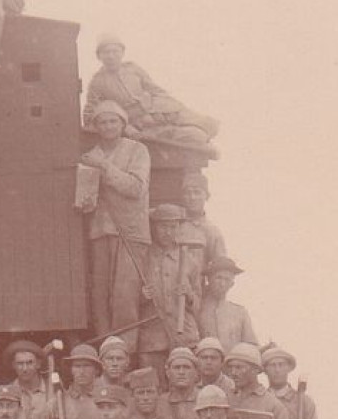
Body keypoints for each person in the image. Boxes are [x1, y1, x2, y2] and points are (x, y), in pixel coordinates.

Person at [76, 101, 151, 351]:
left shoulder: (137, 150)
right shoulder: (90, 156)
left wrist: (105, 167)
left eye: (113, 121)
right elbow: (85, 202)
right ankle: (108, 356)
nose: (108, 127)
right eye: (102, 122)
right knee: (100, 297)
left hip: (130, 232)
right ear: (96, 127)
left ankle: (125, 354)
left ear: (122, 124)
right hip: (99, 232)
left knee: (125, 298)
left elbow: (135, 188)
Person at [84, 33, 219, 146]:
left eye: (115, 51)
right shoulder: (97, 82)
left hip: (159, 110)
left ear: (122, 53)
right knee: (197, 136)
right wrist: (124, 127)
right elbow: (90, 116)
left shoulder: (133, 68)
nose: (111, 56)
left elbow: (155, 89)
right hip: (140, 125)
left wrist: (170, 106)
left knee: (209, 124)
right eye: (106, 52)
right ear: (99, 56)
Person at [136, 204, 201, 373]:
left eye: (173, 227)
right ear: (154, 227)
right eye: (163, 226)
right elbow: (127, 300)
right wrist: (141, 296)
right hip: (152, 339)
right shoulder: (143, 258)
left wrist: (189, 295)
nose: (168, 232)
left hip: (184, 337)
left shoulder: (189, 261)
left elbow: (199, 306)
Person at [223, 343, 289, 419]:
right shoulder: (224, 399)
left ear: (256, 370)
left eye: (239, 367)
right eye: (231, 367)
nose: (233, 373)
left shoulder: (274, 405)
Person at [198, 257, 257, 350]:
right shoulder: (197, 309)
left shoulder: (240, 313)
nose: (222, 283)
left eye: (227, 279)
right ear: (209, 279)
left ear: (232, 284)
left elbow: (250, 346)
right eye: (219, 278)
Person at [5, 340, 59, 419]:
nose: (25, 369)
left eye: (29, 363)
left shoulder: (54, 392)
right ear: (13, 365)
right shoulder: (7, 394)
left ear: (38, 364)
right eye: (20, 363)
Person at [261, 345, 316, 419]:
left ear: (289, 368)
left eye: (281, 365)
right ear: (265, 370)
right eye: (272, 365)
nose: (277, 370)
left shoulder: (305, 403)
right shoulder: (259, 401)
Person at [159, 346, 203, 419]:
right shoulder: (159, 403)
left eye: (186, 367)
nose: (181, 372)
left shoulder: (205, 398)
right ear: (168, 373)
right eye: (176, 368)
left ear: (196, 372)